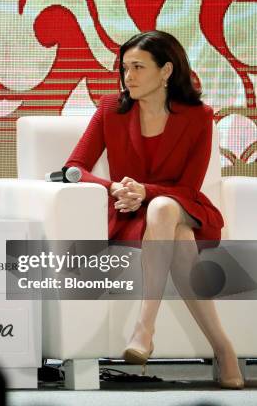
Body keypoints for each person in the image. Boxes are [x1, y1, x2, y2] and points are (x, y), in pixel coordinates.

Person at [66, 30, 243, 389]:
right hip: (133, 217)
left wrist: (145, 190)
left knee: (164, 207)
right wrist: (113, 187)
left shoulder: (199, 117)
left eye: (138, 67)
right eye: (124, 68)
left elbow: (189, 187)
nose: (127, 76)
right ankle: (223, 348)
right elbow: (75, 167)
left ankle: (144, 328)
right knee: (173, 231)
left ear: (166, 71)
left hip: (186, 208)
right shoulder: (109, 110)